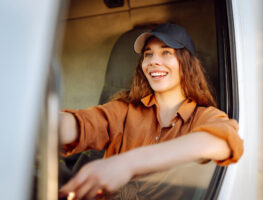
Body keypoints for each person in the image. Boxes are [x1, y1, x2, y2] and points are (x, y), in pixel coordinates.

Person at [58, 23, 244, 200]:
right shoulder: (124, 110)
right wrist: (44, 123)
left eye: (166, 52)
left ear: (186, 63)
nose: (154, 61)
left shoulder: (203, 116)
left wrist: (127, 164)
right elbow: (80, 123)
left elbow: (224, 141)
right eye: (148, 54)